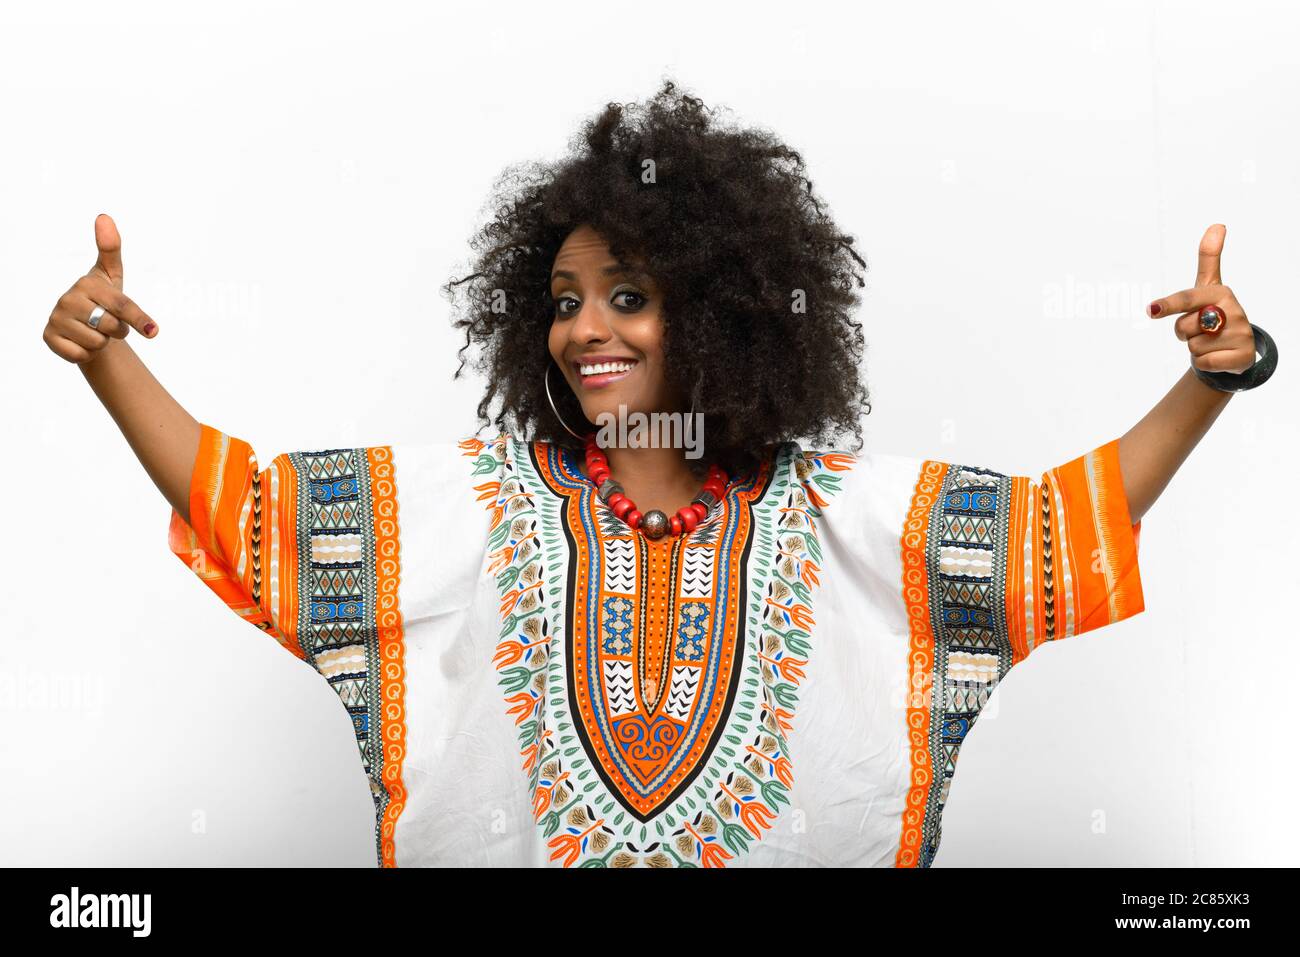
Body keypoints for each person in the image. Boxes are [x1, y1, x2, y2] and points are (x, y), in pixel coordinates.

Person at [43, 81, 1276, 868]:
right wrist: (109, 364)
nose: (587, 330)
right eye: (565, 302)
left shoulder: (843, 517)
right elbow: (252, 515)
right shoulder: (469, 506)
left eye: (631, 298)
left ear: (728, 312)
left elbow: (1059, 528)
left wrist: (1217, 375)